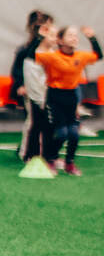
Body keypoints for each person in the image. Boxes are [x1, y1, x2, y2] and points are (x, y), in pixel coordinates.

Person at [37, 24, 101, 176]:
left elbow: (99, 56)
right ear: (60, 40)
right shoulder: (52, 57)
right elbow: (29, 56)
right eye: (70, 35)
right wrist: (39, 37)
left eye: (76, 35)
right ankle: (51, 159)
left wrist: (92, 38)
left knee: (74, 133)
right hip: (55, 97)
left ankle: (69, 163)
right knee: (62, 133)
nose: (74, 38)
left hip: (71, 97)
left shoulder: (81, 56)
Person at [12, 10, 54, 162]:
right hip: (32, 91)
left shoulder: (51, 50)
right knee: (32, 121)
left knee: (47, 123)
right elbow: (18, 70)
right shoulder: (27, 50)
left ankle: (46, 153)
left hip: (47, 91)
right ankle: (25, 152)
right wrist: (20, 85)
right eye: (46, 26)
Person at [20, 28, 56, 167]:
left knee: (50, 127)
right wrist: (38, 97)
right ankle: (29, 154)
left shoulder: (55, 54)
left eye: (55, 35)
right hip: (36, 95)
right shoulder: (33, 54)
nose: (54, 38)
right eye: (51, 35)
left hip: (50, 95)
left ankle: (48, 156)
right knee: (35, 126)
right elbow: (30, 64)